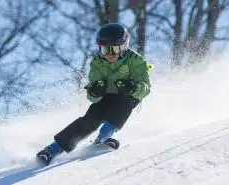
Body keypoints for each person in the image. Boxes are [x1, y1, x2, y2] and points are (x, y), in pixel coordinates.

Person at [36, 23, 152, 165]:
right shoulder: (97, 62)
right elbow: (92, 96)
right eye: (104, 49)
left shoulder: (136, 60)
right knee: (91, 118)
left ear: (123, 47)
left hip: (128, 95)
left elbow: (146, 88)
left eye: (114, 49)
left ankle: (104, 137)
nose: (109, 54)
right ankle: (53, 149)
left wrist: (134, 87)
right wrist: (95, 91)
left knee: (123, 106)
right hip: (107, 96)